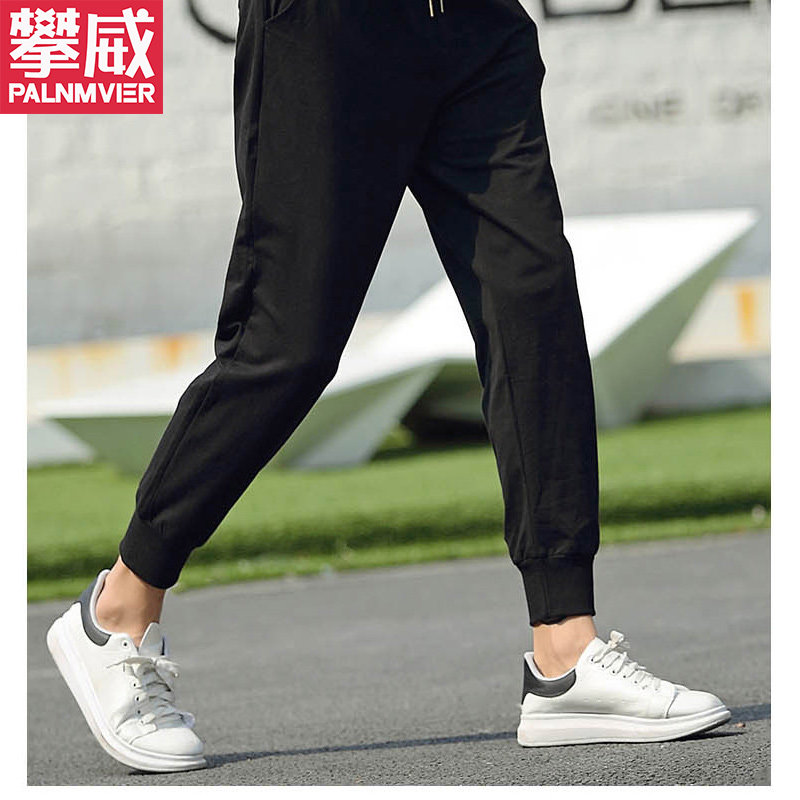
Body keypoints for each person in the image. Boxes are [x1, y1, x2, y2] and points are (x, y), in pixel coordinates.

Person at [45, 0, 730, 773]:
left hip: (474, 28)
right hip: (328, 33)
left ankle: (565, 651)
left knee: (532, 305)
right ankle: (119, 608)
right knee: (288, 347)